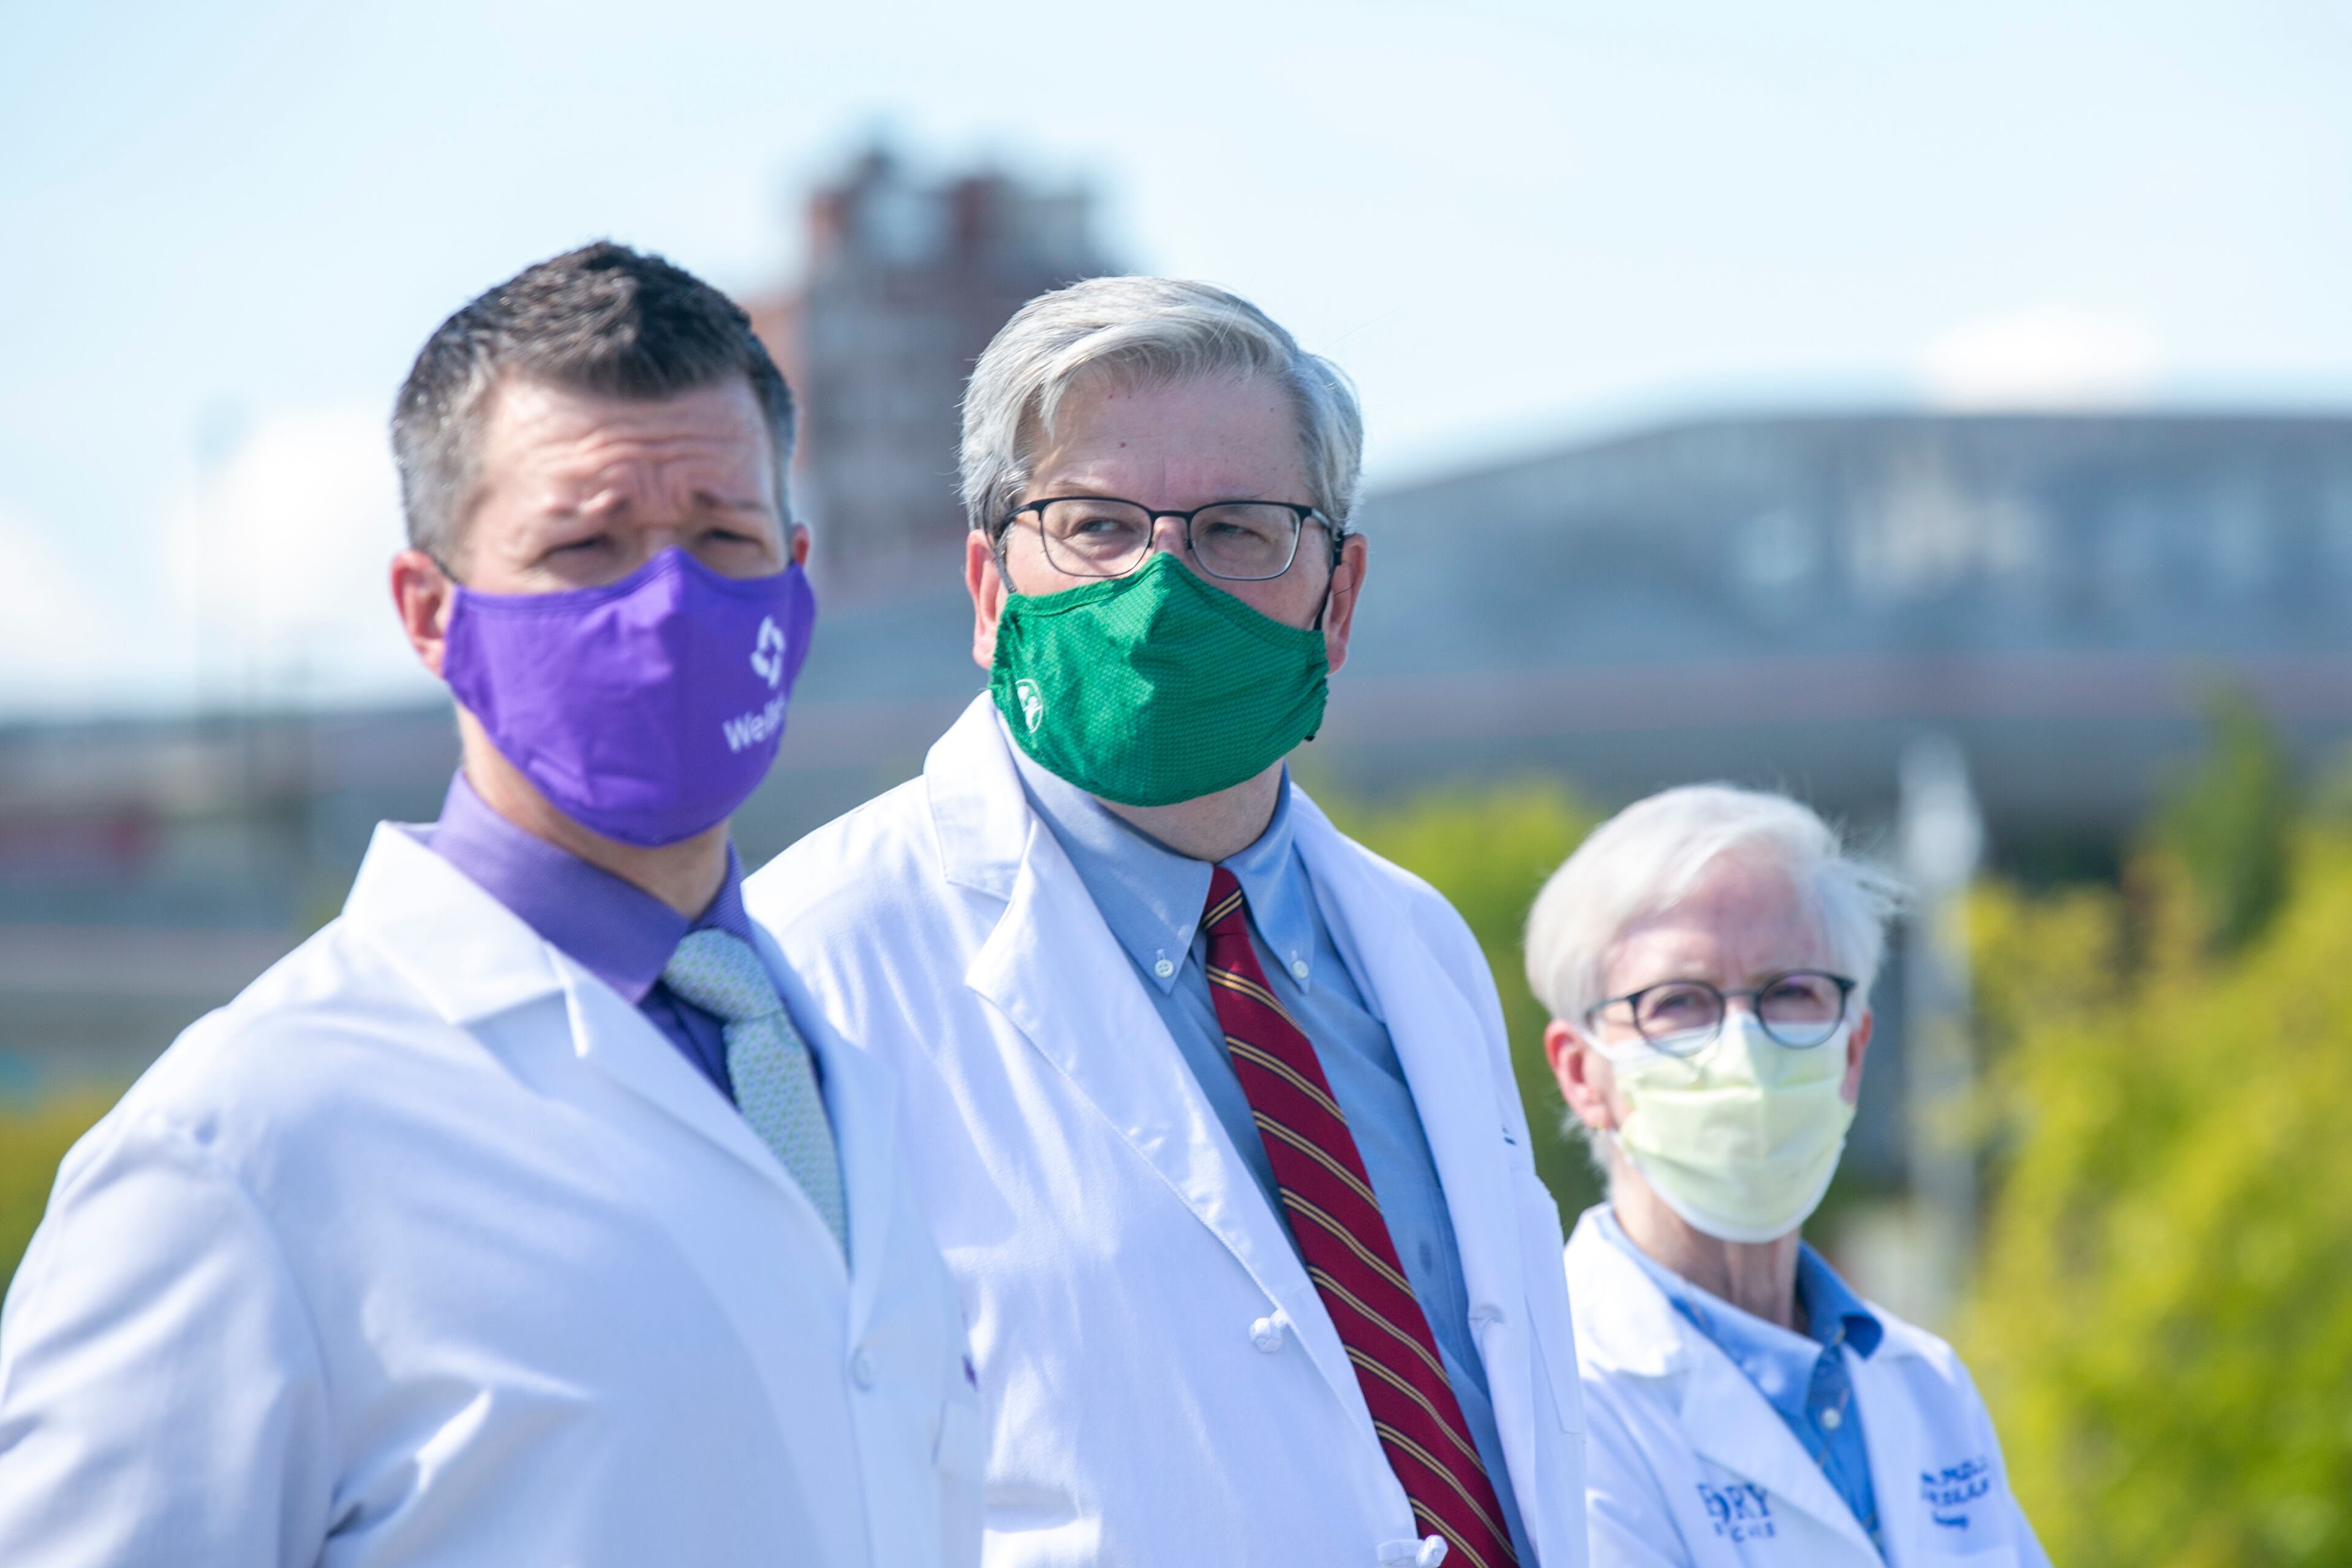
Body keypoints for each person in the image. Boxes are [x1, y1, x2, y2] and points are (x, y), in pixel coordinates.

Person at [0, 244, 981, 1567]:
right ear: (428, 611)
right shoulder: (239, 1148)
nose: (668, 604)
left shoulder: (842, 1077)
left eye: (723, 537)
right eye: (587, 545)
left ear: (796, 582)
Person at [742, 277, 1588, 1568]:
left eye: (1238, 531)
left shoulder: (1417, 946)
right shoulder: (812, 965)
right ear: (987, 589)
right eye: (1095, 527)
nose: (1162, 587)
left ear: (1340, 599)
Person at [1526, 785, 2047, 1566]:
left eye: (1792, 991)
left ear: (1853, 1049)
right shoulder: (1557, 1403)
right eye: (1679, 1002)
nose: (1744, 1046)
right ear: (1579, 1072)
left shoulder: (1924, 1384)